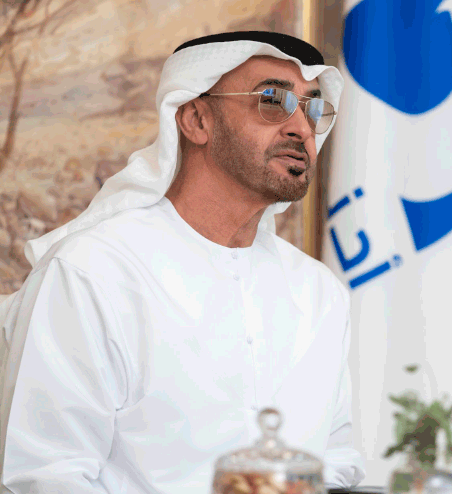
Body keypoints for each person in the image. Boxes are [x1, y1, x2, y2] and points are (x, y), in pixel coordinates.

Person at [0, 31, 365, 493]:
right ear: (196, 120)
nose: (301, 128)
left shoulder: (319, 292)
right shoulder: (93, 272)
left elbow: (336, 463)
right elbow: (44, 477)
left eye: (312, 109)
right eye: (272, 100)